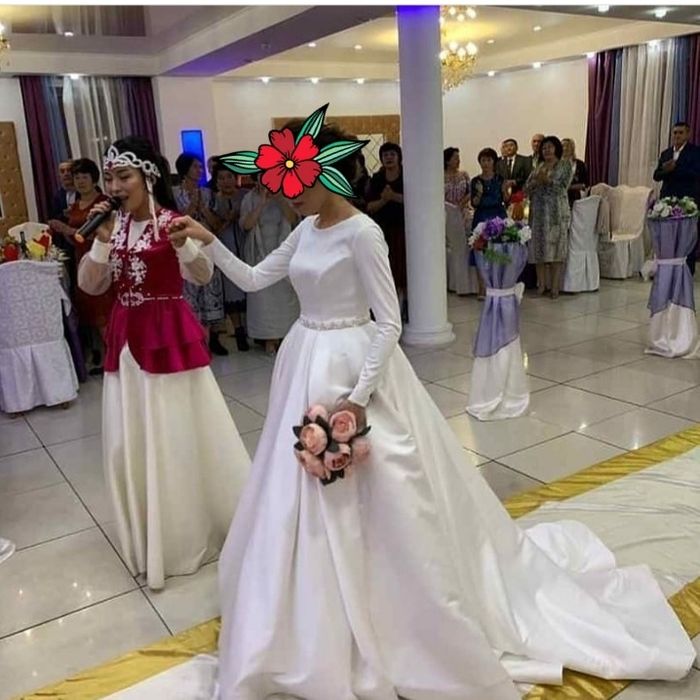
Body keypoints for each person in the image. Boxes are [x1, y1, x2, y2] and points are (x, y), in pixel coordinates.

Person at [168, 119, 695, 699]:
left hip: (354, 367)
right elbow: (252, 277)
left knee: (385, 492)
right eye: (280, 184)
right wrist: (206, 239)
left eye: (295, 183)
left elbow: (388, 323)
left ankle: (392, 612)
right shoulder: (307, 229)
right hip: (303, 359)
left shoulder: (362, 232)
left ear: (324, 172)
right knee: (296, 491)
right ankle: (307, 606)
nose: (287, 195)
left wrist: (356, 400)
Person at [77, 136, 250, 590]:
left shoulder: (173, 221)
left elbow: (203, 275)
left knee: (173, 432)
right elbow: (91, 286)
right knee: (132, 435)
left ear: (148, 178)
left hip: (167, 332)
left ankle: (183, 532)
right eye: (110, 178)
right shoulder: (111, 227)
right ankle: (147, 527)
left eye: (124, 176)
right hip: (125, 336)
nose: (115, 186)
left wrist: (185, 247)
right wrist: (100, 244)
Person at [48, 158, 113, 374]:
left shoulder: (103, 203)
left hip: (101, 260)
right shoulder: (76, 205)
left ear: (94, 179)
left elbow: (101, 235)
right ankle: (103, 357)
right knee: (90, 312)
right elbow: (74, 240)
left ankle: (114, 358)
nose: (80, 181)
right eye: (77, 177)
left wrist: (67, 229)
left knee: (104, 312)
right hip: (81, 260)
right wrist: (64, 231)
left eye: (84, 177)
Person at [174, 152, 229, 355]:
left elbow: (217, 224)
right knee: (189, 293)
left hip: (206, 248)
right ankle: (193, 342)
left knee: (210, 291)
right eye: (195, 166)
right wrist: (192, 206)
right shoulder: (175, 194)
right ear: (185, 169)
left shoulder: (208, 193)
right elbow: (176, 223)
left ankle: (212, 339)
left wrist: (203, 209)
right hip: (185, 249)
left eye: (200, 166)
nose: (200, 170)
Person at [240, 174, 300, 355]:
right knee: (263, 296)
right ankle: (268, 338)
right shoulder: (249, 198)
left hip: (283, 249)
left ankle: (286, 336)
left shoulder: (287, 194)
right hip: (259, 252)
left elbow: (294, 219)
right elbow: (246, 225)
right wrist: (262, 202)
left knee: (285, 295)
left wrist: (280, 198)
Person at [525, 135, 573, 299]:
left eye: (550, 147)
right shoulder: (538, 166)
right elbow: (526, 188)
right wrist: (536, 182)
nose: (547, 150)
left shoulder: (564, 165)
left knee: (556, 250)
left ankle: (554, 287)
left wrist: (547, 181)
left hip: (556, 213)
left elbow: (563, 187)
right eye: (544, 148)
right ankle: (541, 286)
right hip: (538, 213)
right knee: (538, 251)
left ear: (556, 148)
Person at [209, 161, 250, 352]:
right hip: (225, 247)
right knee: (231, 289)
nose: (226, 181)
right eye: (221, 178)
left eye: (229, 177)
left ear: (236, 178)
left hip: (246, 246)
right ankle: (238, 330)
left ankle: (252, 328)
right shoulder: (213, 200)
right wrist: (227, 219)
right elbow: (214, 228)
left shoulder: (246, 196)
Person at [653, 121, 700, 274]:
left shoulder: (695, 152)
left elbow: (696, 173)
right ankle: (669, 269)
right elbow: (656, 176)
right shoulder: (666, 153)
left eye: (680, 133)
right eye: (675, 133)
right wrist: (666, 170)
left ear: (688, 134)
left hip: (687, 200)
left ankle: (687, 270)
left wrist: (675, 168)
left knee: (687, 236)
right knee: (669, 236)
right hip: (668, 201)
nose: (677, 136)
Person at [366, 142, 407, 318]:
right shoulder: (377, 179)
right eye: (385, 155)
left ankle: (404, 307)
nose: (389, 158)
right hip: (382, 230)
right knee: (385, 270)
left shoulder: (407, 176)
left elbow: (416, 200)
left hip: (403, 230)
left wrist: (394, 196)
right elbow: (370, 206)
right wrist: (384, 200)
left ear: (399, 157)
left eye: (392, 154)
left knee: (403, 270)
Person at [471, 147, 510, 299]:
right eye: (483, 160)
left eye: (489, 160)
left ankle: (497, 286)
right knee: (480, 251)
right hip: (481, 216)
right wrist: (479, 193)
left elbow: (506, 200)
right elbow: (474, 203)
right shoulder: (476, 181)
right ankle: (482, 288)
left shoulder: (500, 179)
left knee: (498, 251)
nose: (486, 163)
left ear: (494, 162)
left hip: (498, 215)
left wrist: (505, 190)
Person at [443, 146, 471, 223]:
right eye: (455, 158)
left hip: (463, 212)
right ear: (447, 161)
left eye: (459, 158)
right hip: (446, 213)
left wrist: (461, 203)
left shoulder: (464, 175)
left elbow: (470, 192)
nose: (458, 161)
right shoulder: (440, 177)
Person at [562, 138, 589, 207]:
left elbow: (585, 184)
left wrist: (570, 187)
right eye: (563, 146)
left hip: (576, 198)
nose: (565, 148)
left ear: (572, 148)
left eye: (567, 146)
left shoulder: (580, 164)